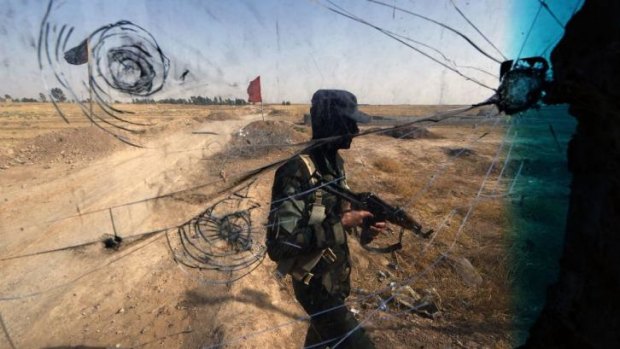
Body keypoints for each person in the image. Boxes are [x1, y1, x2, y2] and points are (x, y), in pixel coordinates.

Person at [267, 89, 385, 348]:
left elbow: (332, 216)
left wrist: (364, 228)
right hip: (315, 288)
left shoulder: (335, 165)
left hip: (335, 282)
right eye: (349, 122)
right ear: (331, 122)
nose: (355, 130)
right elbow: (278, 246)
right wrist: (341, 225)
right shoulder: (295, 171)